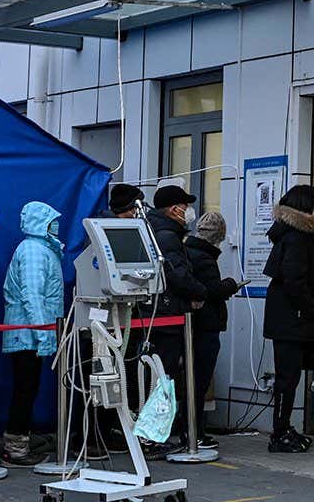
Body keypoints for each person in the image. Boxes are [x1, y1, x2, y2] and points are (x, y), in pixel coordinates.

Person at [0, 201, 65, 468]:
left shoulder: (41, 249)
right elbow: (32, 295)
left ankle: (19, 440)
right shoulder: (34, 250)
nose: (56, 225)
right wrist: (43, 333)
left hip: (30, 333)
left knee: (28, 388)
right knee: (25, 390)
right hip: (28, 333)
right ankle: (15, 448)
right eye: (52, 220)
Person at [261, 185, 314, 454]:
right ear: (306, 207)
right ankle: (280, 432)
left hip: (284, 318)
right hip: (292, 320)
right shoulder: (298, 237)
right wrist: (310, 308)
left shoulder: (286, 234)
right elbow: (295, 279)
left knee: (287, 377)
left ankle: (283, 428)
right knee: (288, 379)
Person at [143, 185, 207, 448]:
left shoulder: (152, 230)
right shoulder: (167, 236)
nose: (188, 211)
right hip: (167, 316)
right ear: (173, 209)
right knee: (163, 379)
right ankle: (152, 437)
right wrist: (200, 291)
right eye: (185, 206)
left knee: (157, 377)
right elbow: (177, 274)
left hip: (157, 314)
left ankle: (152, 435)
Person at [183, 211, 240, 450]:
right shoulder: (205, 259)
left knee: (191, 380)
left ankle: (191, 430)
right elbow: (211, 290)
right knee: (199, 380)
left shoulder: (189, 252)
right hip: (205, 327)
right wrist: (230, 285)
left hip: (192, 326)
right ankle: (194, 432)